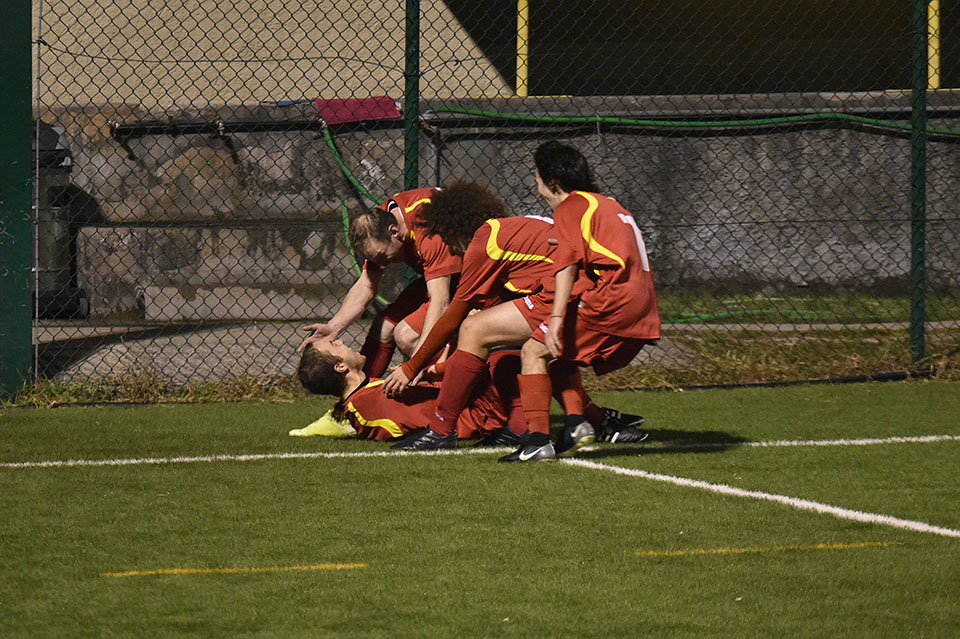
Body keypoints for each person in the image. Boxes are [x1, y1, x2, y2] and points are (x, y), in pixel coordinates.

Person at [382, 180, 648, 451]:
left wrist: (411, 367)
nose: (451, 250)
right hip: (591, 294)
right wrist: (436, 369)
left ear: (455, 229)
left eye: (449, 241)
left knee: (476, 329)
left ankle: (441, 431)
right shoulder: (510, 231)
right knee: (529, 350)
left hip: (578, 297)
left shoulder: (485, 241)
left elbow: (452, 316)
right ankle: (584, 423)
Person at [292, 186, 463, 436]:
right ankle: (355, 405)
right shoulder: (378, 223)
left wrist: (413, 365)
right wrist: (334, 326)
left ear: (394, 232)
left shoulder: (427, 224)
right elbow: (367, 285)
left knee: (407, 335)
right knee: (383, 326)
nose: (382, 265)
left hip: (476, 279)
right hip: (445, 277)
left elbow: (441, 302)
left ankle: (445, 408)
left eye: (383, 256)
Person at [297, 338, 528, 444]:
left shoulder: (369, 392)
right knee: (490, 333)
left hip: (476, 403)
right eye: (334, 345)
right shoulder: (370, 402)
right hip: (483, 413)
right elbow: (444, 407)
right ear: (340, 367)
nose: (341, 341)